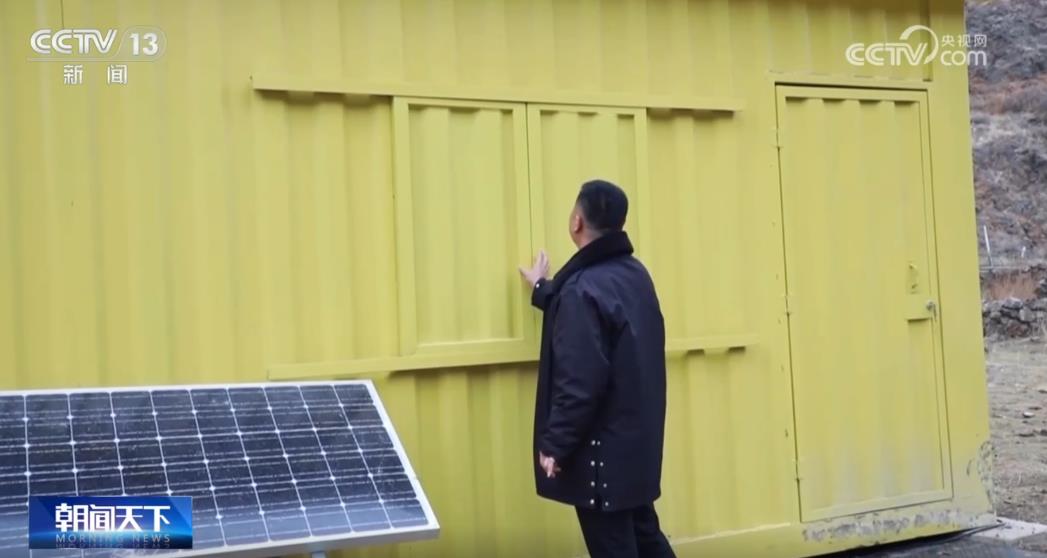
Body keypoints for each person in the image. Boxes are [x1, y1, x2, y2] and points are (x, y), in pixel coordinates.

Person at [518, 179, 674, 558]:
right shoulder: (635, 275)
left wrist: (555, 445)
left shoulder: (582, 290)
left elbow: (580, 384)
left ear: (576, 222)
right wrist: (541, 288)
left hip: (600, 463)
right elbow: (597, 310)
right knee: (647, 538)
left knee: (617, 548)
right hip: (634, 451)